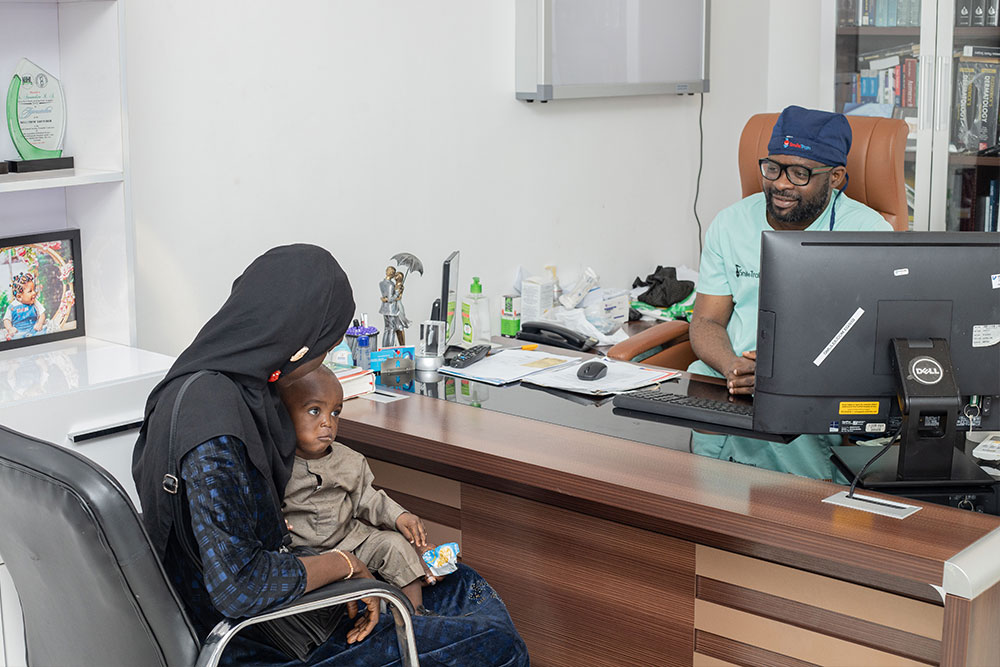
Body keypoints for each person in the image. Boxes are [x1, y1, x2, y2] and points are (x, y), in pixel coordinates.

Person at [132, 244, 528, 666]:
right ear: (300, 345)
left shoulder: (197, 389)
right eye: (326, 344)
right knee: (496, 640)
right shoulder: (216, 423)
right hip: (266, 640)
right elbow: (240, 586)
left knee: (458, 582)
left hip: (240, 614)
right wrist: (344, 563)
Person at [687, 105, 892, 481]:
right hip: (735, 380)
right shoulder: (730, 223)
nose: (781, 184)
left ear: (835, 177)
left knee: (794, 500)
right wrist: (733, 366)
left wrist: (785, 377)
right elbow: (706, 320)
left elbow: (873, 342)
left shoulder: (868, 232)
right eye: (773, 168)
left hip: (819, 388)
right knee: (699, 382)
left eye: (800, 173)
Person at [279, 364, 438, 613]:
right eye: (314, 411)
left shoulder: (350, 460)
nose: (327, 423)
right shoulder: (276, 466)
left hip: (352, 541)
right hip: (307, 557)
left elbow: (369, 498)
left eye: (335, 413)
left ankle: (415, 615)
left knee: (395, 545)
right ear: (283, 415)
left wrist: (399, 516)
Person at [4, 273, 46, 339]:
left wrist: (40, 323)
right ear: (19, 296)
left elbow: (42, 314)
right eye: (30, 291)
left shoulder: (35, 302)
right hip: (19, 331)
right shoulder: (12, 307)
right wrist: (10, 328)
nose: (34, 293)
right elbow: (6, 320)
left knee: (43, 332)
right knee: (16, 338)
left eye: (34, 290)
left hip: (34, 328)